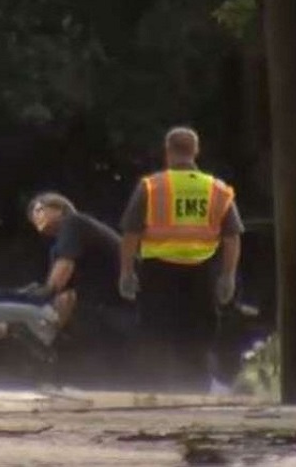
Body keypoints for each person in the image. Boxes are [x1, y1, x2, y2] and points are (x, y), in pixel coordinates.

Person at [117, 126, 244, 392]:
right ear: (196, 151)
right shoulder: (217, 189)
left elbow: (131, 233)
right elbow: (232, 237)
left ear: (168, 151)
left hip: (158, 273)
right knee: (199, 333)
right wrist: (228, 275)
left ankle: (158, 388)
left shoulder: (151, 187)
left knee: (156, 331)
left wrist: (127, 272)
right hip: (201, 273)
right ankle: (196, 388)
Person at [22, 192, 123, 337]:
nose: (36, 219)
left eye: (39, 210)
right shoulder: (60, 246)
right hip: (108, 304)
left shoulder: (73, 223)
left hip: (120, 305)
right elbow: (63, 294)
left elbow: (58, 280)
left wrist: (40, 295)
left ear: (59, 209)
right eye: (33, 218)